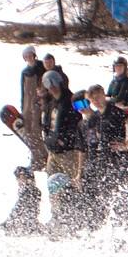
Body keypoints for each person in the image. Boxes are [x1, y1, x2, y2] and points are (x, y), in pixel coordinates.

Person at [85, 84, 128, 231]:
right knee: (109, 197)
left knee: (127, 195)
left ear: (103, 94)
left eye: (98, 97)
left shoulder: (118, 113)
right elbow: (91, 143)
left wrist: (127, 143)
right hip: (104, 164)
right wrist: (92, 164)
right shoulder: (94, 119)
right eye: (93, 100)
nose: (96, 101)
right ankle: (116, 229)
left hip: (121, 160)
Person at [41, 71, 85, 223]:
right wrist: (48, 140)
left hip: (68, 152)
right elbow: (46, 125)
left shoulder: (69, 101)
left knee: (71, 184)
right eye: (48, 84)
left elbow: (76, 124)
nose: (51, 87)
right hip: (53, 153)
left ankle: (75, 216)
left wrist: (65, 140)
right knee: (53, 186)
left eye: (53, 83)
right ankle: (56, 216)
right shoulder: (50, 103)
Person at [19, 45, 48, 169]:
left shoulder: (41, 67)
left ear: (34, 55)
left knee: (37, 131)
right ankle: (35, 156)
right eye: (26, 56)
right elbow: (22, 90)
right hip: (27, 104)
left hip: (38, 103)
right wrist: (22, 106)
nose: (28, 57)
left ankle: (42, 158)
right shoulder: (24, 71)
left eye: (30, 54)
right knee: (28, 132)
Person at [0, 167, 42, 236]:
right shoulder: (31, 190)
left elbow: (18, 209)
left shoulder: (29, 191)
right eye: (17, 178)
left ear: (27, 178)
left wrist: (6, 224)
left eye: (20, 178)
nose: (18, 181)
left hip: (28, 226)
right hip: (28, 224)